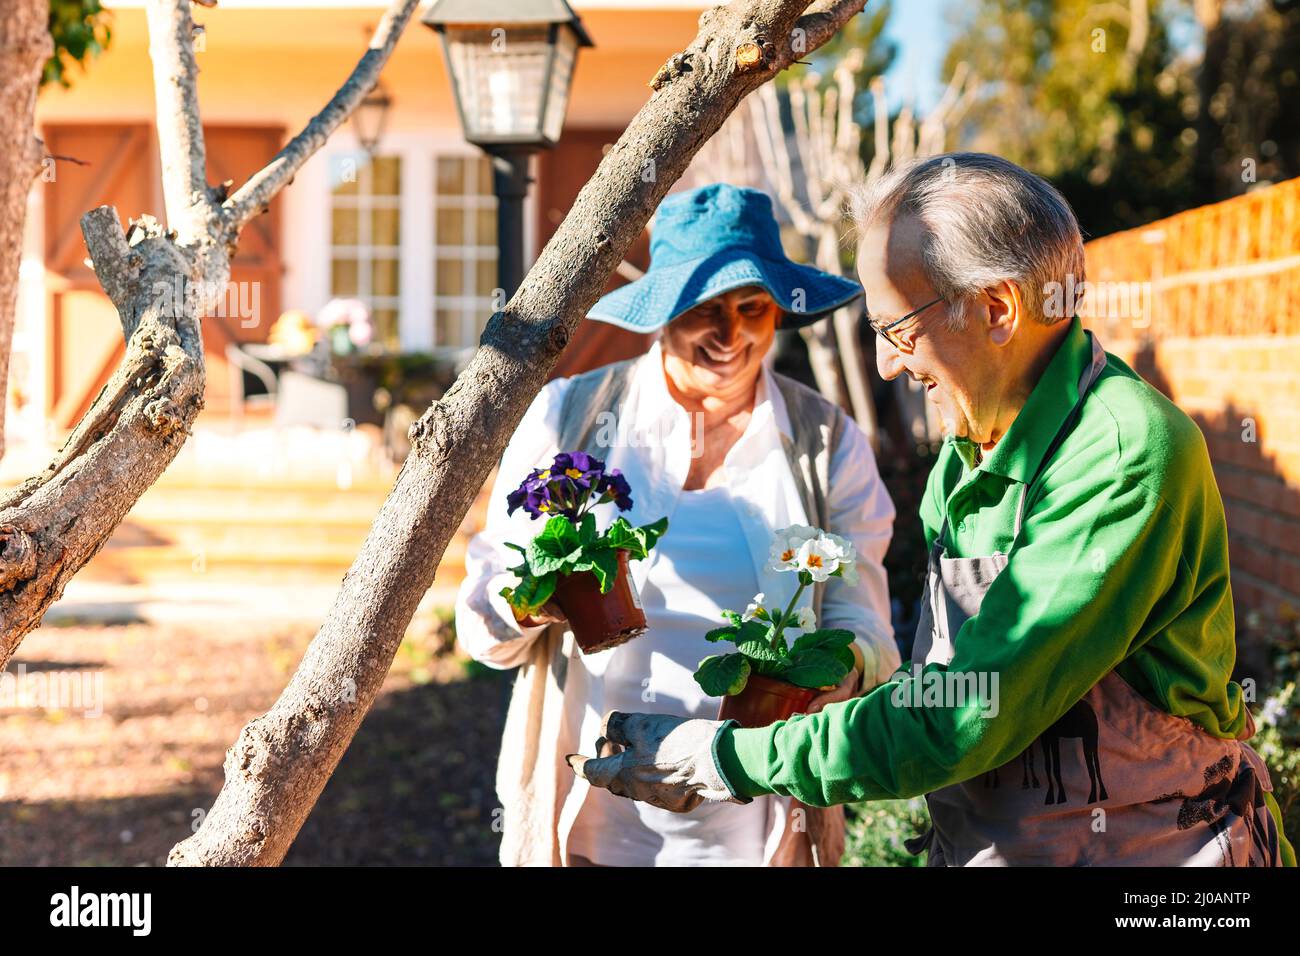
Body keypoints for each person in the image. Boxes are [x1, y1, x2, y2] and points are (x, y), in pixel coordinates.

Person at [569, 154, 1296, 867]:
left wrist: (723, 760)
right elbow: (942, 685)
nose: (887, 365)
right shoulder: (967, 446)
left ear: (997, 308)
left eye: (897, 329)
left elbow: (960, 717)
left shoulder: (1122, 455)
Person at [456, 183, 899, 866]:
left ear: (776, 311)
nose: (730, 334)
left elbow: (863, 624)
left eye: (752, 307)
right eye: (704, 308)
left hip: (759, 834)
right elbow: (479, 627)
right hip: (588, 827)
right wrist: (534, 601)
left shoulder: (825, 442)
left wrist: (828, 673)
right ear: (663, 311)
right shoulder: (572, 418)